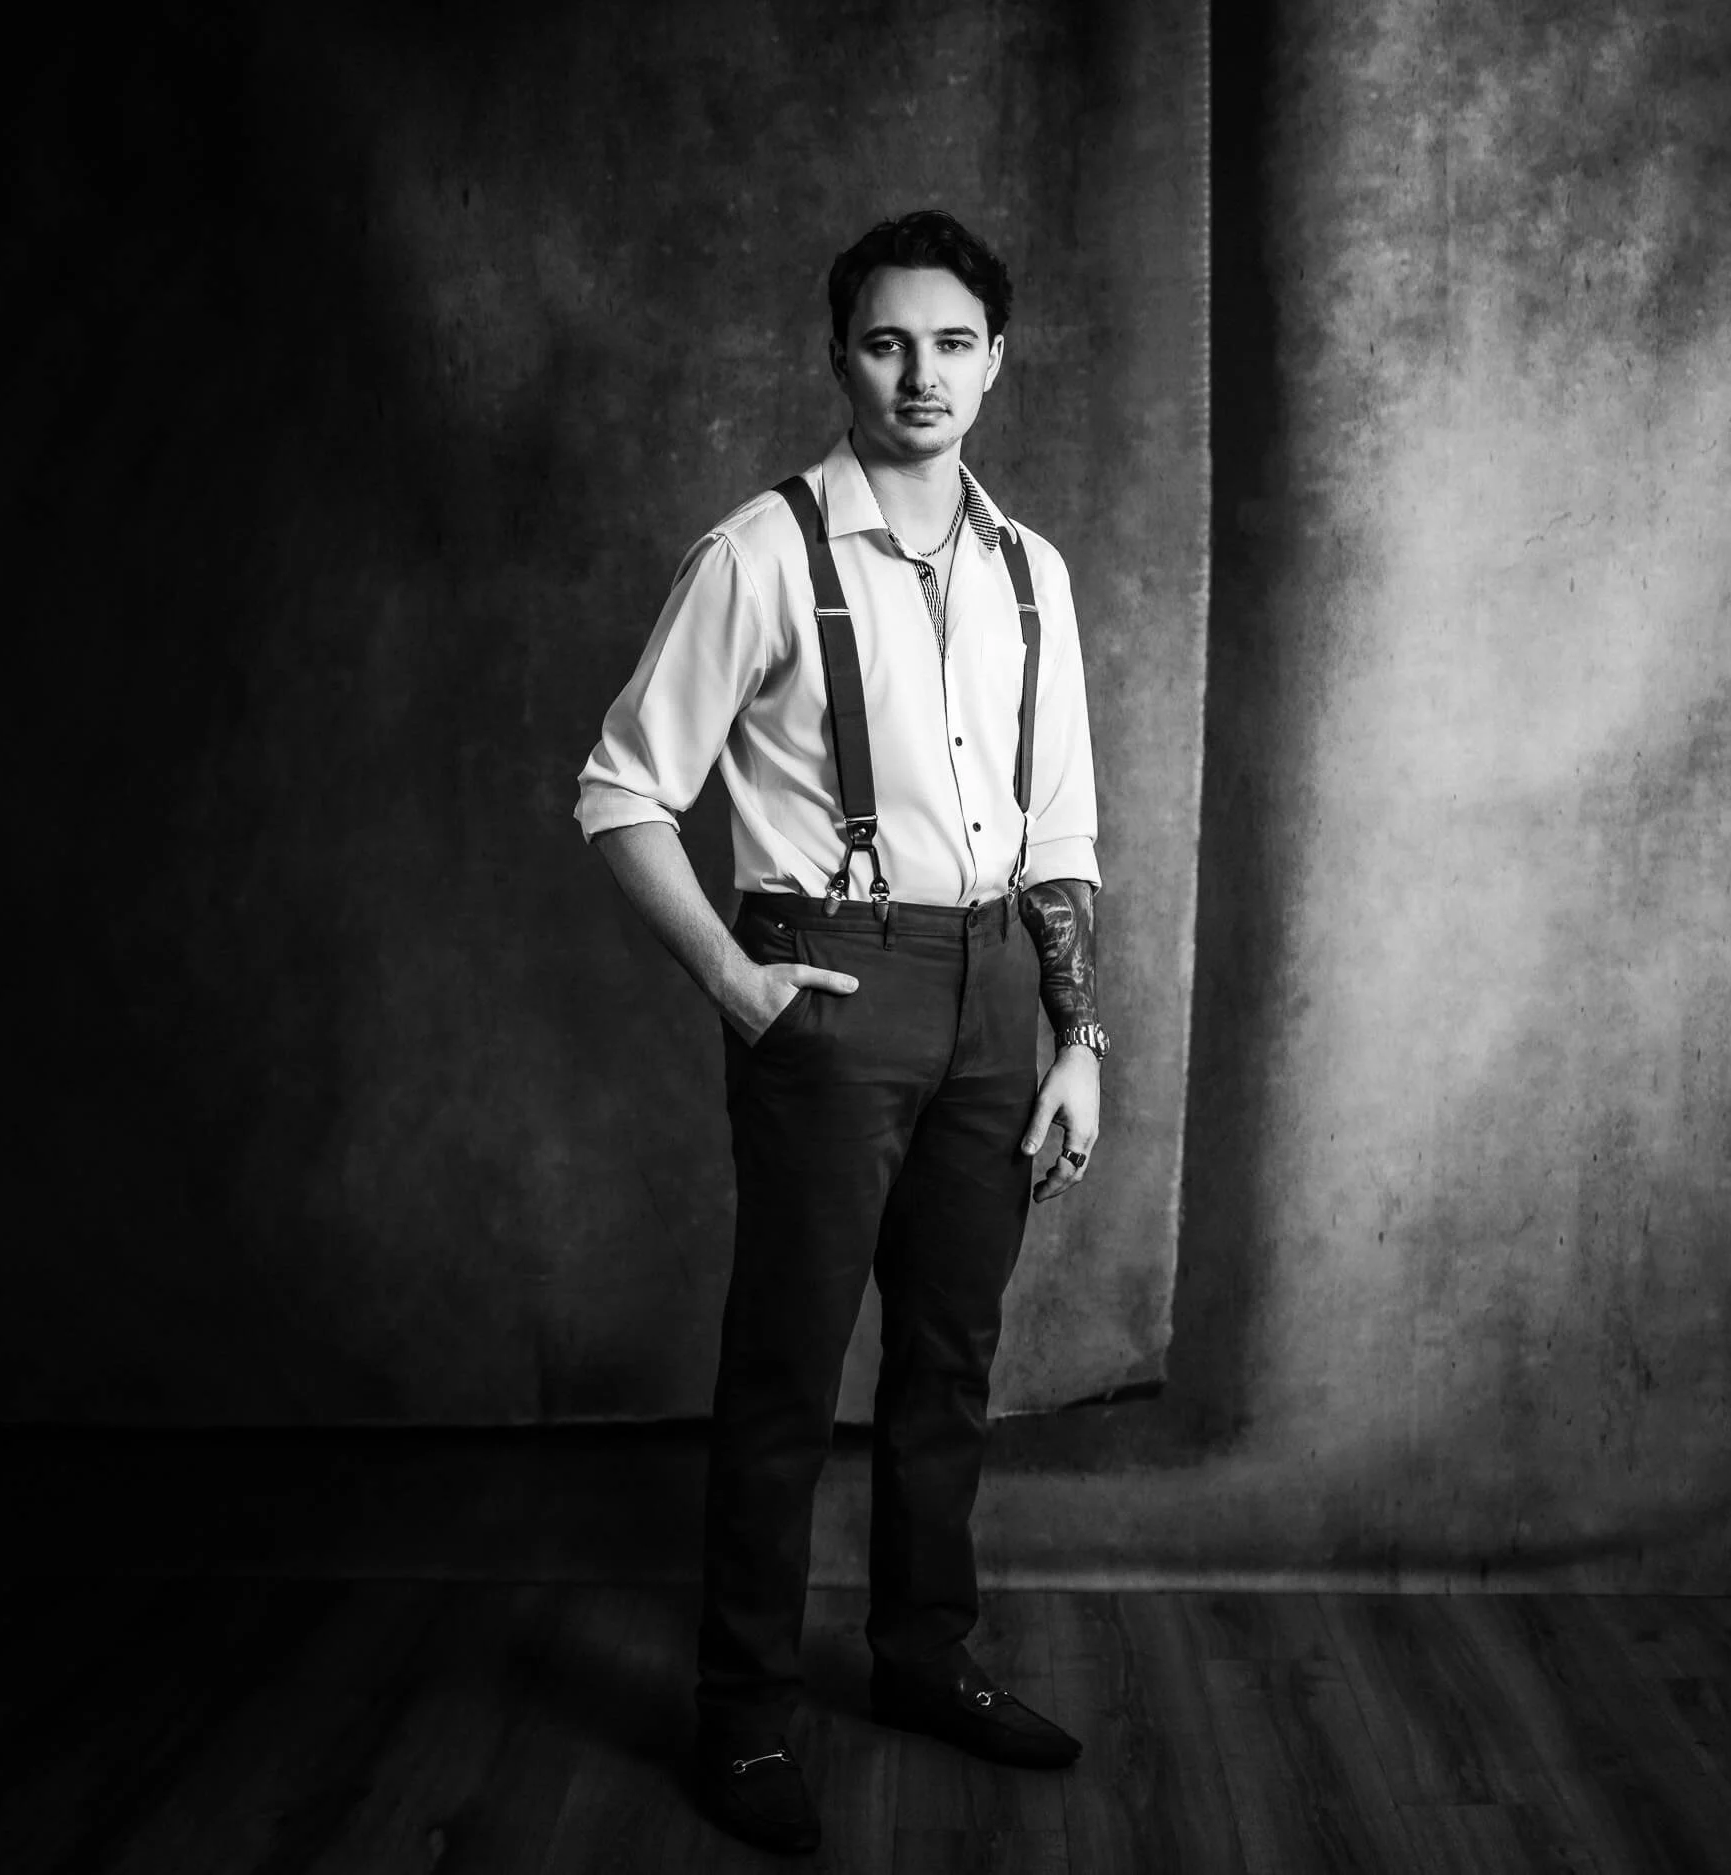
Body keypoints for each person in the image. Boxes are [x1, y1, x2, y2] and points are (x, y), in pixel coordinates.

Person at [576, 208, 1110, 1856]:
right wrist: (733, 981)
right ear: (842, 357)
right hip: (829, 985)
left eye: (954, 343)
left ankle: (921, 1659)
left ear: (997, 360)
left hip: (998, 996)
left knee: (950, 1363)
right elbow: (618, 790)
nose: (922, 373)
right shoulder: (760, 553)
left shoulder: (1035, 575)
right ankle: (742, 1718)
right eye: (889, 342)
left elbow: (1064, 832)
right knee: (789, 1373)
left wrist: (1079, 1035)